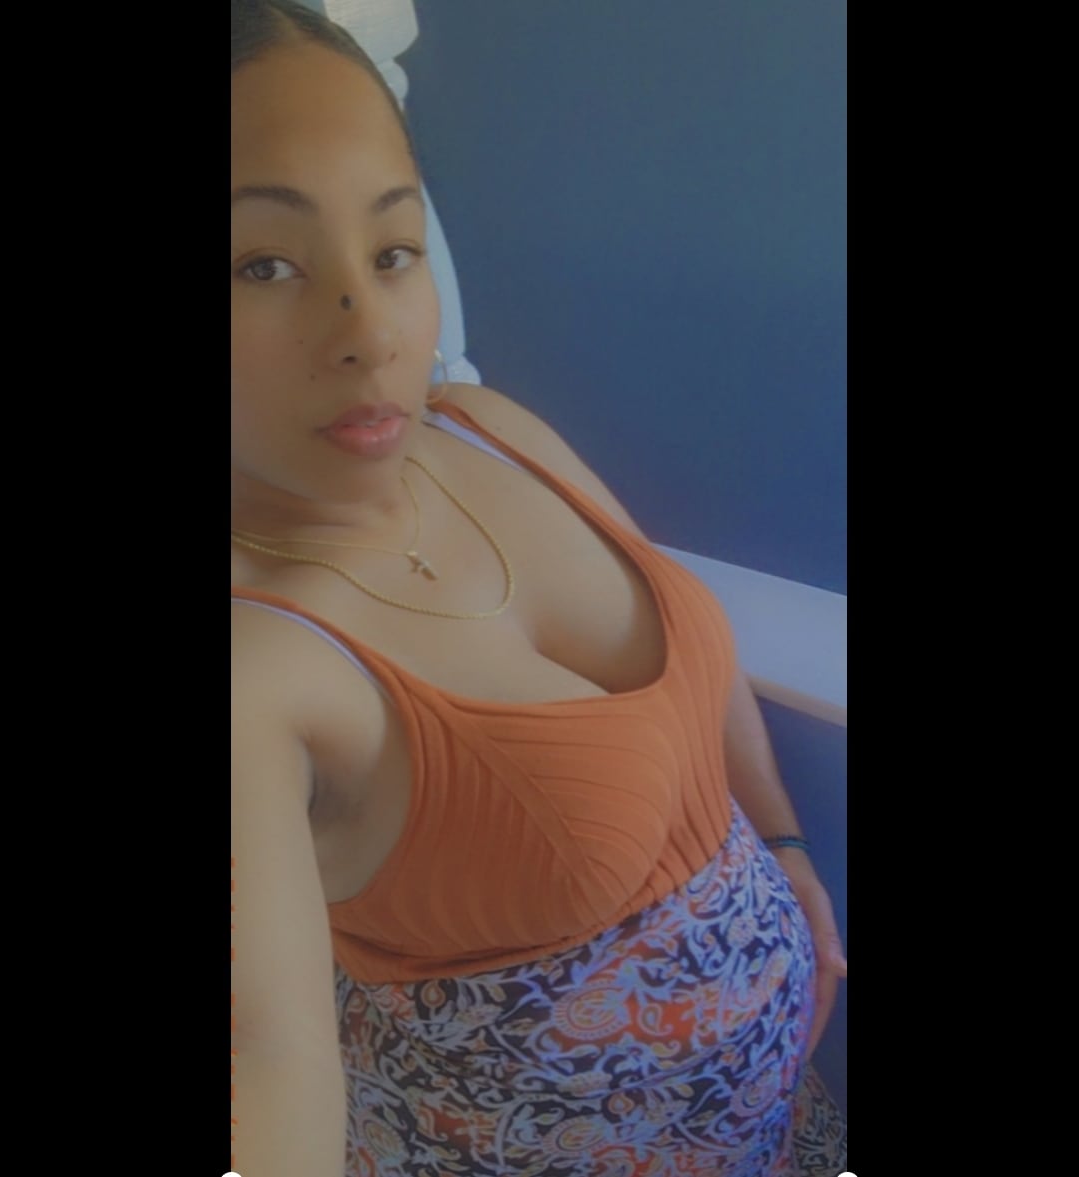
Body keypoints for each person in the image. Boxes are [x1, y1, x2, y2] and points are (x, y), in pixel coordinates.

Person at [230, 2, 847, 1174]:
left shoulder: (486, 428)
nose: (369, 330)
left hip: (773, 1120)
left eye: (392, 250)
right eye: (264, 264)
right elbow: (269, 1059)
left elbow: (690, 648)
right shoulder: (256, 666)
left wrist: (785, 841)